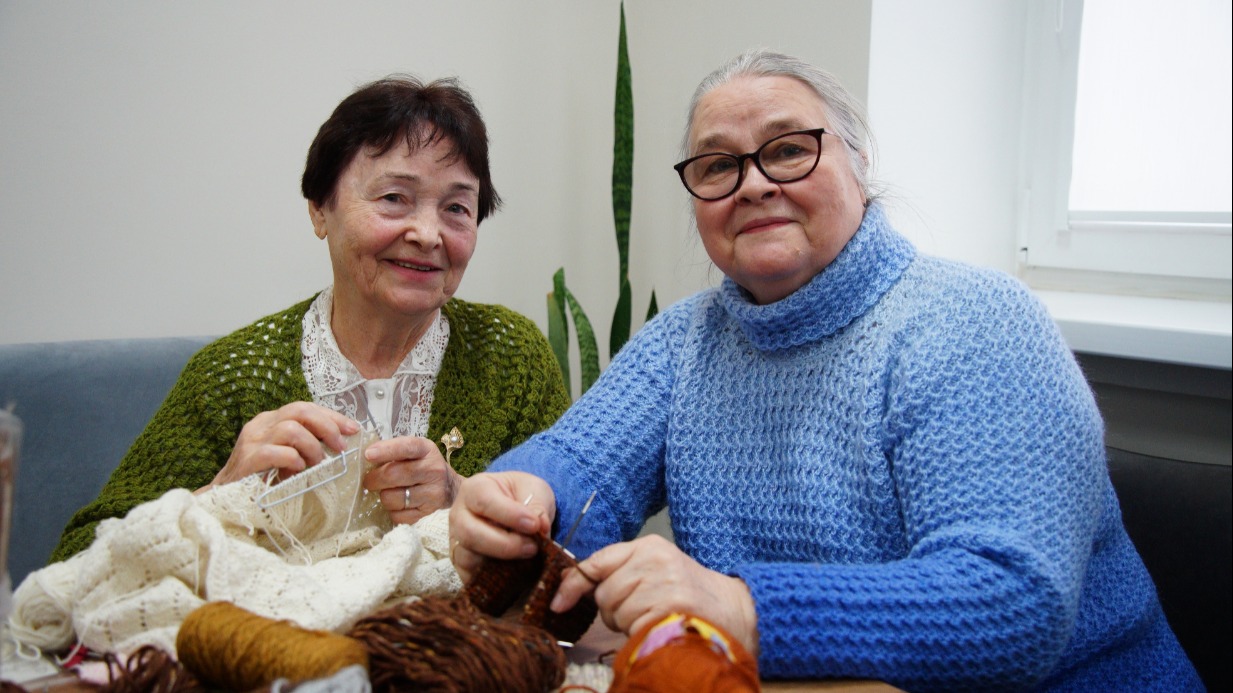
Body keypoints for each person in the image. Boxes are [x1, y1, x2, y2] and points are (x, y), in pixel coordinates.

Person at [449, 49, 1201, 690]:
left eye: (786, 149)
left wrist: (742, 605)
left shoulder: (975, 321)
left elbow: (1011, 603)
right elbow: (585, 465)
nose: (750, 183)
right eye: (717, 164)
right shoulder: (684, 339)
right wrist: (525, 495)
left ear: (858, 162)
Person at [51, 75, 570, 563]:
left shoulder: (511, 358)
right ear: (320, 209)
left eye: (456, 208)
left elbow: (580, 556)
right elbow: (75, 561)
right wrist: (219, 493)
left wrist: (460, 499)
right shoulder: (237, 373)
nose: (428, 234)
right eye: (395, 198)